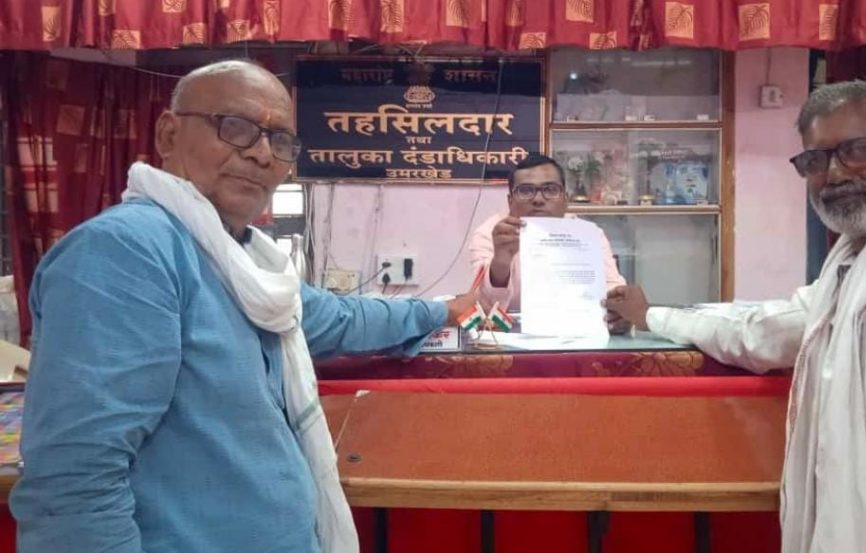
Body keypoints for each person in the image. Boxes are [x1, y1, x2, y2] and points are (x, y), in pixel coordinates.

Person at [11, 60, 476, 553]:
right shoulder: (127, 251)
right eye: (235, 127)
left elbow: (341, 318)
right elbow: (74, 481)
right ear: (168, 135)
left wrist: (441, 311)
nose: (261, 154)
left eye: (280, 141)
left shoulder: (247, 265)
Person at [605, 80, 866, 552]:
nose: (835, 174)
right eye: (815, 161)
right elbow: (755, 332)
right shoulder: (839, 280)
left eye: (858, 150)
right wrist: (651, 315)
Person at [468, 153, 627, 331]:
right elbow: (484, 308)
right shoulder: (490, 234)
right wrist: (501, 262)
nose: (538, 199)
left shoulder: (589, 234)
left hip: (576, 331)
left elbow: (612, 286)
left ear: (565, 199)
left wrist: (618, 308)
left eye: (550, 189)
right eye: (526, 191)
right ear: (510, 201)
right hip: (513, 335)